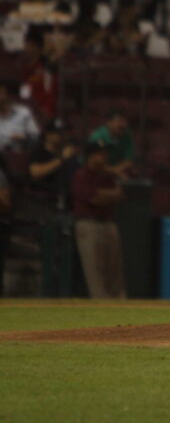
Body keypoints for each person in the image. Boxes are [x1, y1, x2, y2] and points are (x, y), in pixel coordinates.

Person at [71, 142, 125, 299]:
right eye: (99, 154)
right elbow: (95, 198)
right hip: (88, 224)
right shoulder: (81, 175)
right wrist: (110, 195)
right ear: (90, 156)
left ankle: (120, 303)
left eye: (103, 154)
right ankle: (101, 302)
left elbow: (120, 195)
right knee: (94, 268)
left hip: (108, 223)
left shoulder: (107, 175)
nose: (103, 157)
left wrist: (106, 195)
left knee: (114, 268)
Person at [29, 122, 77, 207]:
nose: (62, 135)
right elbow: (36, 173)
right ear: (48, 135)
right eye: (58, 133)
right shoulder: (38, 152)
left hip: (67, 196)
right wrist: (62, 159)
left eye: (63, 132)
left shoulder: (67, 152)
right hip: (45, 197)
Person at [88, 109, 134, 178]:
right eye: (120, 121)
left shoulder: (127, 135)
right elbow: (93, 164)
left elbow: (129, 160)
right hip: (94, 173)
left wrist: (116, 170)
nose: (124, 125)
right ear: (109, 122)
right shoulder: (97, 137)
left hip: (115, 172)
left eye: (125, 121)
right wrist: (114, 171)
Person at [0, 83, 40, 151]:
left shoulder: (23, 113)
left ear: (9, 96)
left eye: (1, 93)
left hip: (19, 155)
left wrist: (23, 137)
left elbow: (35, 136)